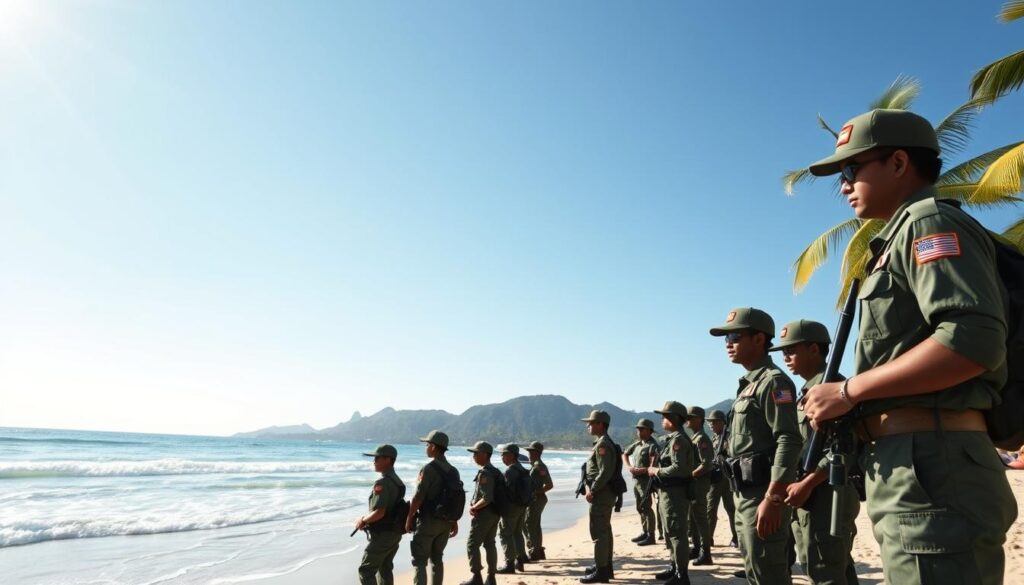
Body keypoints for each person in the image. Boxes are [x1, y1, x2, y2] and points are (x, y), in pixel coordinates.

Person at [802, 108, 1017, 585]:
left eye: (852, 169)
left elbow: (972, 339)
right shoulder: (901, 236)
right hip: (918, 466)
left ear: (898, 163)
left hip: (932, 468)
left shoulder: (929, 224)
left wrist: (848, 391)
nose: (844, 184)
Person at [710, 307, 801, 585]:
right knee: (755, 570)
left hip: (762, 494)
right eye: (726, 338)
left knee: (768, 573)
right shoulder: (749, 384)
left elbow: (789, 438)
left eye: (735, 336)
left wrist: (773, 497)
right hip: (744, 493)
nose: (728, 344)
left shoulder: (773, 382)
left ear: (759, 339)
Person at [771, 320, 859, 585]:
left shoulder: (834, 389)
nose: (785, 357)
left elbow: (845, 447)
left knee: (824, 571)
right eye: (783, 352)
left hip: (827, 495)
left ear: (813, 349)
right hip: (810, 495)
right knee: (835, 568)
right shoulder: (808, 391)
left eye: (791, 350)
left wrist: (807, 483)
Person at [633, 400, 694, 585]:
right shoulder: (672, 438)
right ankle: (674, 566)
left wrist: (656, 471)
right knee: (669, 532)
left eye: (665, 416)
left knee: (677, 533)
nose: (662, 420)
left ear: (675, 418)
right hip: (667, 492)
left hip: (676, 492)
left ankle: (682, 575)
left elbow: (680, 468)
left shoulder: (679, 440)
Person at [406, 430, 459, 585]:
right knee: (437, 559)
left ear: (434, 447)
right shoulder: (454, 471)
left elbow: (418, 497)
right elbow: (454, 498)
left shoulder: (428, 469)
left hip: (428, 521)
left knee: (419, 561)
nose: (426, 447)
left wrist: (409, 517)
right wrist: (453, 520)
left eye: (427, 444)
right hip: (446, 522)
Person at [356, 444, 405, 585]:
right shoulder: (398, 481)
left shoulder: (382, 482)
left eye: (377, 458)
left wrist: (363, 520)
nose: (374, 461)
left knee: (366, 570)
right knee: (385, 568)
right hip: (394, 532)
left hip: (383, 534)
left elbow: (380, 512)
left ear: (388, 460)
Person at [579, 409, 618, 584]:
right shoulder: (602, 443)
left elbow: (605, 472)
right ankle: (604, 566)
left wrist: (592, 490)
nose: (588, 426)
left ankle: (602, 570)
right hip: (604, 493)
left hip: (601, 494)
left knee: (599, 532)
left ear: (600, 424)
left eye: (591, 423)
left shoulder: (603, 445)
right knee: (604, 531)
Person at [461, 441, 501, 585]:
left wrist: (474, 508)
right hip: (496, 512)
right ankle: (491, 577)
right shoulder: (496, 471)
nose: (474, 456)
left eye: (476, 453)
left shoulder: (485, 473)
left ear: (484, 455)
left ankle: (477, 577)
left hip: (485, 514)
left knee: (472, 544)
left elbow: (487, 497)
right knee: (490, 543)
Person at [685, 406, 715, 566]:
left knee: (701, 519)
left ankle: (706, 552)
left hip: (699, 484)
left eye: (690, 418)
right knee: (693, 518)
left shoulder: (702, 439)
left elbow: (707, 464)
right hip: (693, 484)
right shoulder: (695, 438)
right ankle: (696, 548)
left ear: (698, 419)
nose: (687, 421)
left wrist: (690, 475)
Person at [623, 418, 660, 546]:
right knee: (640, 507)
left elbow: (653, 466)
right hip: (637, 480)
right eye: (638, 429)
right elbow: (625, 454)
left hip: (646, 481)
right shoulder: (638, 444)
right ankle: (645, 531)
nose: (639, 431)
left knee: (646, 507)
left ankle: (651, 535)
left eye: (641, 429)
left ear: (649, 431)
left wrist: (641, 470)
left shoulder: (652, 445)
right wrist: (629, 467)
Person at [706, 409, 738, 549]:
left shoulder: (729, 437)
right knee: (710, 508)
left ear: (723, 423)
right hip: (716, 476)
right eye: (710, 423)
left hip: (727, 476)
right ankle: (709, 537)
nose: (712, 425)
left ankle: (736, 537)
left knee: (731, 509)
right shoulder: (714, 438)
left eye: (715, 422)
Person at [496, 443, 529, 574]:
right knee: (517, 533)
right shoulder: (522, 468)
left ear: (511, 455)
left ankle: (509, 564)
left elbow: (506, 491)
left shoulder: (510, 471)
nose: (502, 457)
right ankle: (519, 561)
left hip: (511, 507)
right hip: (522, 506)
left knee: (505, 534)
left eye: (503, 454)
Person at [523, 441, 554, 561]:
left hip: (536, 499)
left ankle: (534, 550)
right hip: (538, 499)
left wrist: (535, 492)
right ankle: (539, 550)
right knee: (534, 524)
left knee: (529, 523)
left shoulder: (538, 466)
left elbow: (549, 485)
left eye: (530, 451)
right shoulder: (537, 465)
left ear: (536, 452)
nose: (529, 454)